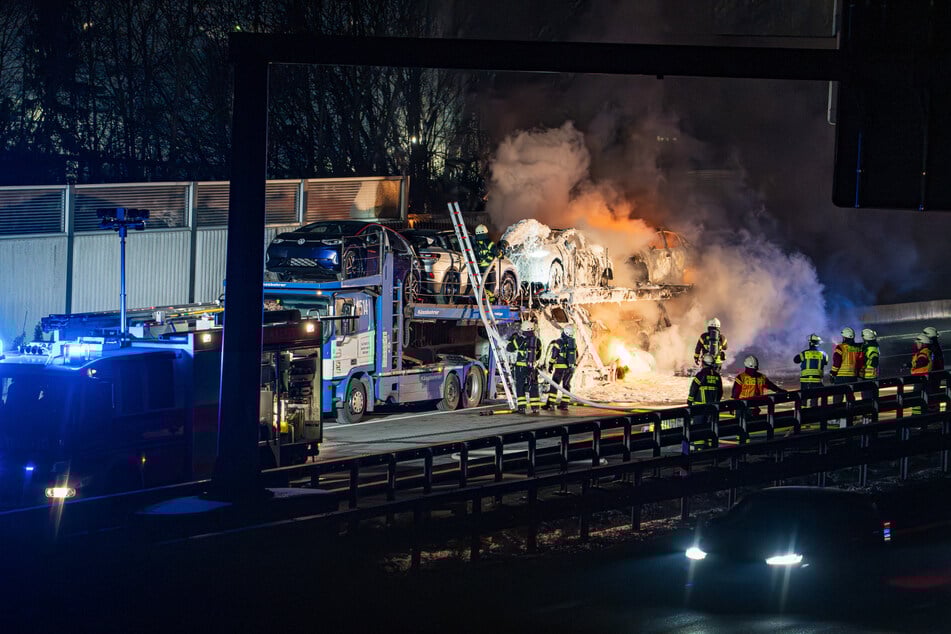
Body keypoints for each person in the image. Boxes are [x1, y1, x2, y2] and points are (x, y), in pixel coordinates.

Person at [507, 319, 542, 414]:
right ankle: (535, 407)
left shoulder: (520, 340)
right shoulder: (537, 341)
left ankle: (522, 407)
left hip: (521, 367)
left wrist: (513, 338)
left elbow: (509, 348)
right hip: (532, 368)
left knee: (520, 386)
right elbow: (538, 355)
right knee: (533, 386)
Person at [543, 324, 577, 411]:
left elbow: (554, 355)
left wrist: (550, 364)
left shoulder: (559, 342)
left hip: (560, 369)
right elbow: (576, 355)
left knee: (554, 385)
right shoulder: (573, 343)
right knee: (566, 385)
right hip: (570, 369)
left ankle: (550, 405)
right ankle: (564, 405)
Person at [910, 333, 933, 415]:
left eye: (918, 343)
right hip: (922, 378)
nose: (917, 344)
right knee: (921, 397)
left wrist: (913, 365)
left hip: (920, 378)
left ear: (923, 344)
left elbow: (922, 362)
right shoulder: (926, 351)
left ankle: (916, 416)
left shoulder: (923, 352)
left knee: (916, 397)